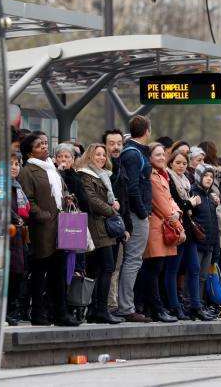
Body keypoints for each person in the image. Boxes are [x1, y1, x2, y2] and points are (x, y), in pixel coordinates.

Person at [19, 131, 80, 326]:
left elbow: (59, 192)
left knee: (59, 273)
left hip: (59, 227)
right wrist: (42, 215)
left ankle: (60, 313)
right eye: (39, 145)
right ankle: (38, 313)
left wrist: (67, 198)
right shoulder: (27, 171)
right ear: (29, 152)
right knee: (39, 273)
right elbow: (28, 200)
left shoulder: (51, 168)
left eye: (46, 143)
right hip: (41, 229)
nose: (44, 147)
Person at [77, 144, 125, 324]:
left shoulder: (103, 175)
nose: (102, 158)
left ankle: (95, 309)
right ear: (89, 156)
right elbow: (92, 200)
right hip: (96, 226)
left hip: (103, 226)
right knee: (106, 267)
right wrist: (112, 211)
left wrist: (114, 203)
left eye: (103, 155)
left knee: (100, 269)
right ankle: (100, 310)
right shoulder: (85, 175)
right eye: (98, 154)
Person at [164, 150, 213, 321]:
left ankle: (196, 306)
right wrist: (189, 203)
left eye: (184, 163)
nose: (181, 166)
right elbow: (176, 204)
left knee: (194, 268)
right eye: (177, 163)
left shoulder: (186, 181)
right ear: (171, 163)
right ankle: (175, 306)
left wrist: (188, 205)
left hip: (188, 230)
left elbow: (187, 207)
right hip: (176, 230)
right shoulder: (169, 179)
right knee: (173, 269)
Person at [115, 116, 153, 323]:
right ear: (147, 131)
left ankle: (126, 304)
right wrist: (142, 211)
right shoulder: (133, 154)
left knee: (132, 260)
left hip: (136, 212)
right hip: (136, 214)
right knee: (132, 260)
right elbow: (133, 187)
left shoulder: (133, 152)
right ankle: (126, 306)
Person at [143, 143, 181, 323]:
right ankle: (156, 308)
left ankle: (155, 307)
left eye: (162, 154)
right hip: (156, 228)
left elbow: (171, 200)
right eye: (157, 154)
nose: (161, 157)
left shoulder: (162, 175)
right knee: (154, 268)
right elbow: (161, 204)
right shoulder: (152, 176)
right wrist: (178, 223)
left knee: (158, 268)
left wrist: (176, 211)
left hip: (163, 226)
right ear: (149, 157)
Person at [102, 129, 127, 312]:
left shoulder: (122, 167)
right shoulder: (102, 171)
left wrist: (128, 226)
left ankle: (112, 304)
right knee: (106, 268)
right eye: (111, 143)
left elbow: (125, 200)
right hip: (104, 225)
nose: (116, 147)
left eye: (119, 143)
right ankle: (106, 306)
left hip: (119, 225)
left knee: (116, 267)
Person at [191, 164, 221, 313]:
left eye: (211, 177)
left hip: (209, 243)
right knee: (194, 274)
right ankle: (191, 303)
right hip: (197, 242)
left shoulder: (210, 197)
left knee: (203, 276)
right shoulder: (194, 193)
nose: (209, 179)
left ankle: (200, 304)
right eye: (206, 176)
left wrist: (215, 245)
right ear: (199, 177)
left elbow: (214, 223)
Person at [6, 151, 31, 326]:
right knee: (8, 273)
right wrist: (15, 218)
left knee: (17, 273)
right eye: (11, 163)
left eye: (17, 164)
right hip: (7, 237)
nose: (14, 167)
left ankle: (12, 309)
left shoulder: (18, 187)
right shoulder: (1, 186)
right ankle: (7, 310)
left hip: (18, 238)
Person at [55, 143, 89, 213]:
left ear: (73, 159)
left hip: (76, 213)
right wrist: (60, 172)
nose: (63, 159)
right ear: (55, 159)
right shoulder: (53, 174)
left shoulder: (77, 175)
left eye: (67, 157)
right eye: (59, 156)